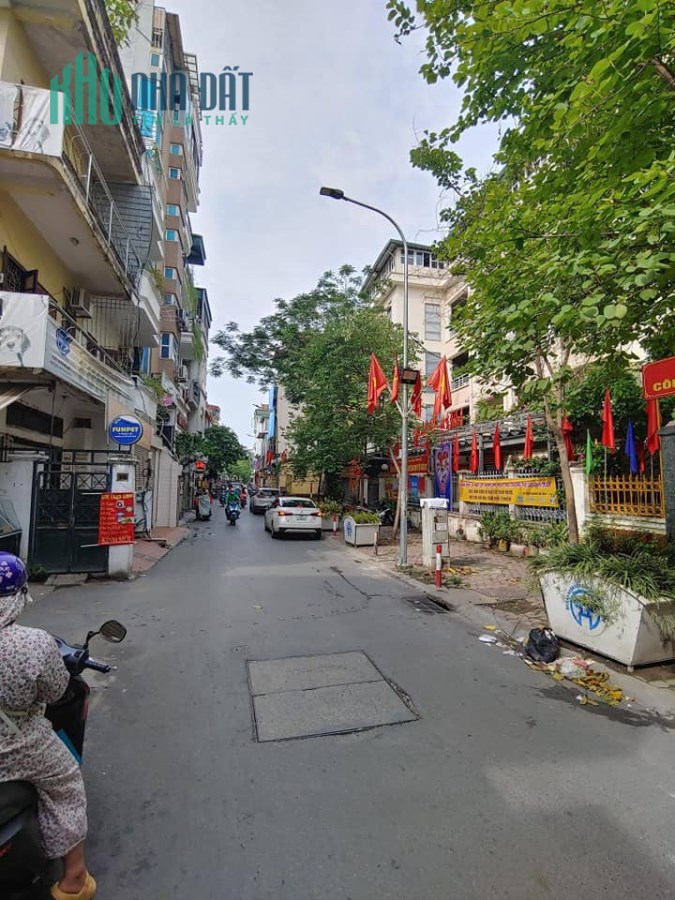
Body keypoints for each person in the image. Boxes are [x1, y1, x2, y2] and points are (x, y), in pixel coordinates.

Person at [0, 552, 96, 899]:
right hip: (19, 743)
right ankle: (74, 880)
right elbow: (56, 692)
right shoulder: (33, 642)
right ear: (19, 594)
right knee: (66, 784)